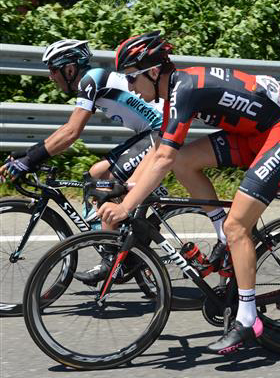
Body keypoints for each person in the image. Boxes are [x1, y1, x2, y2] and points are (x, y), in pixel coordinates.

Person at [96, 31, 280, 353]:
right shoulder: (175, 91)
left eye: (132, 78)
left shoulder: (186, 89)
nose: (131, 88)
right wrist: (129, 187)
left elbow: (161, 159)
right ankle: (223, 230)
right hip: (250, 135)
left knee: (239, 228)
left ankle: (248, 319)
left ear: (153, 72)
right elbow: (161, 151)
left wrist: (126, 208)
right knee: (183, 161)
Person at [0, 38, 166, 282]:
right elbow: (67, 128)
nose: (50, 77)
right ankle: (128, 241)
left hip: (160, 132)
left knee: (105, 185)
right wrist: (27, 155)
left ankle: (112, 262)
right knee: (95, 174)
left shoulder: (92, 79)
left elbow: (71, 133)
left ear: (69, 69)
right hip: (151, 132)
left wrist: (28, 161)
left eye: (53, 70)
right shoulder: (91, 81)